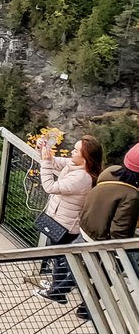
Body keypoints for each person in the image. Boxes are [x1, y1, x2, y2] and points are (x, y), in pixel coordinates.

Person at [52, 142, 139, 315]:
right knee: (111, 272)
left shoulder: (110, 172)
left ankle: (60, 289)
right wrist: (120, 250)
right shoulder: (132, 195)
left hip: (86, 227)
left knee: (80, 263)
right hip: (101, 237)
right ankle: (85, 309)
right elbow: (119, 229)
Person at [35, 134, 103, 302]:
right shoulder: (77, 166)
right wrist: (43, 151)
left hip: (66, 224)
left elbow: (50, 187)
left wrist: (45, 163)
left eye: (76, 150)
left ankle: (58, 292)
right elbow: (55, 162)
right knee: (59, 255)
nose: (72, 152)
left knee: (60, 256)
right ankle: (56, 289)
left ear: (85, 157)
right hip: (60, 219)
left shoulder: (82, 178)